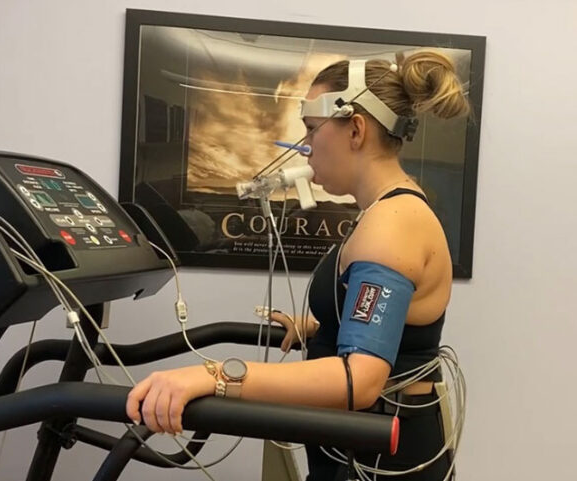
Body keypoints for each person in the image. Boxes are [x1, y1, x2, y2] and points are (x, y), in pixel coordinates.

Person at [126, 51, 470, 480]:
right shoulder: (386, 212)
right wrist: (320, 327)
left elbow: (360, 380)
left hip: (379, 466)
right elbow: (390, 325)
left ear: (356, 129)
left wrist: (216, 376)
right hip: (355, 455)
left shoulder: (393, 225)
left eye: (311, 129)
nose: (305, 147)